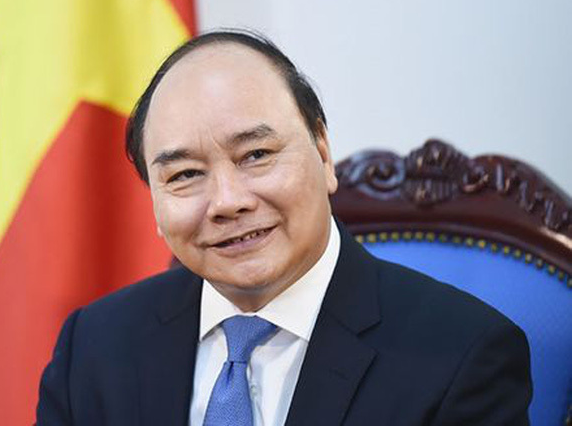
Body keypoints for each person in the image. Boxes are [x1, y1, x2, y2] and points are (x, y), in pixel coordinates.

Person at [36, 30, 532, 426]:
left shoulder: (462, 354)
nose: (227, 202)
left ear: (323, 153)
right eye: (185, 175)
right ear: (155, 204)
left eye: (256, 154)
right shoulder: (94, 347)